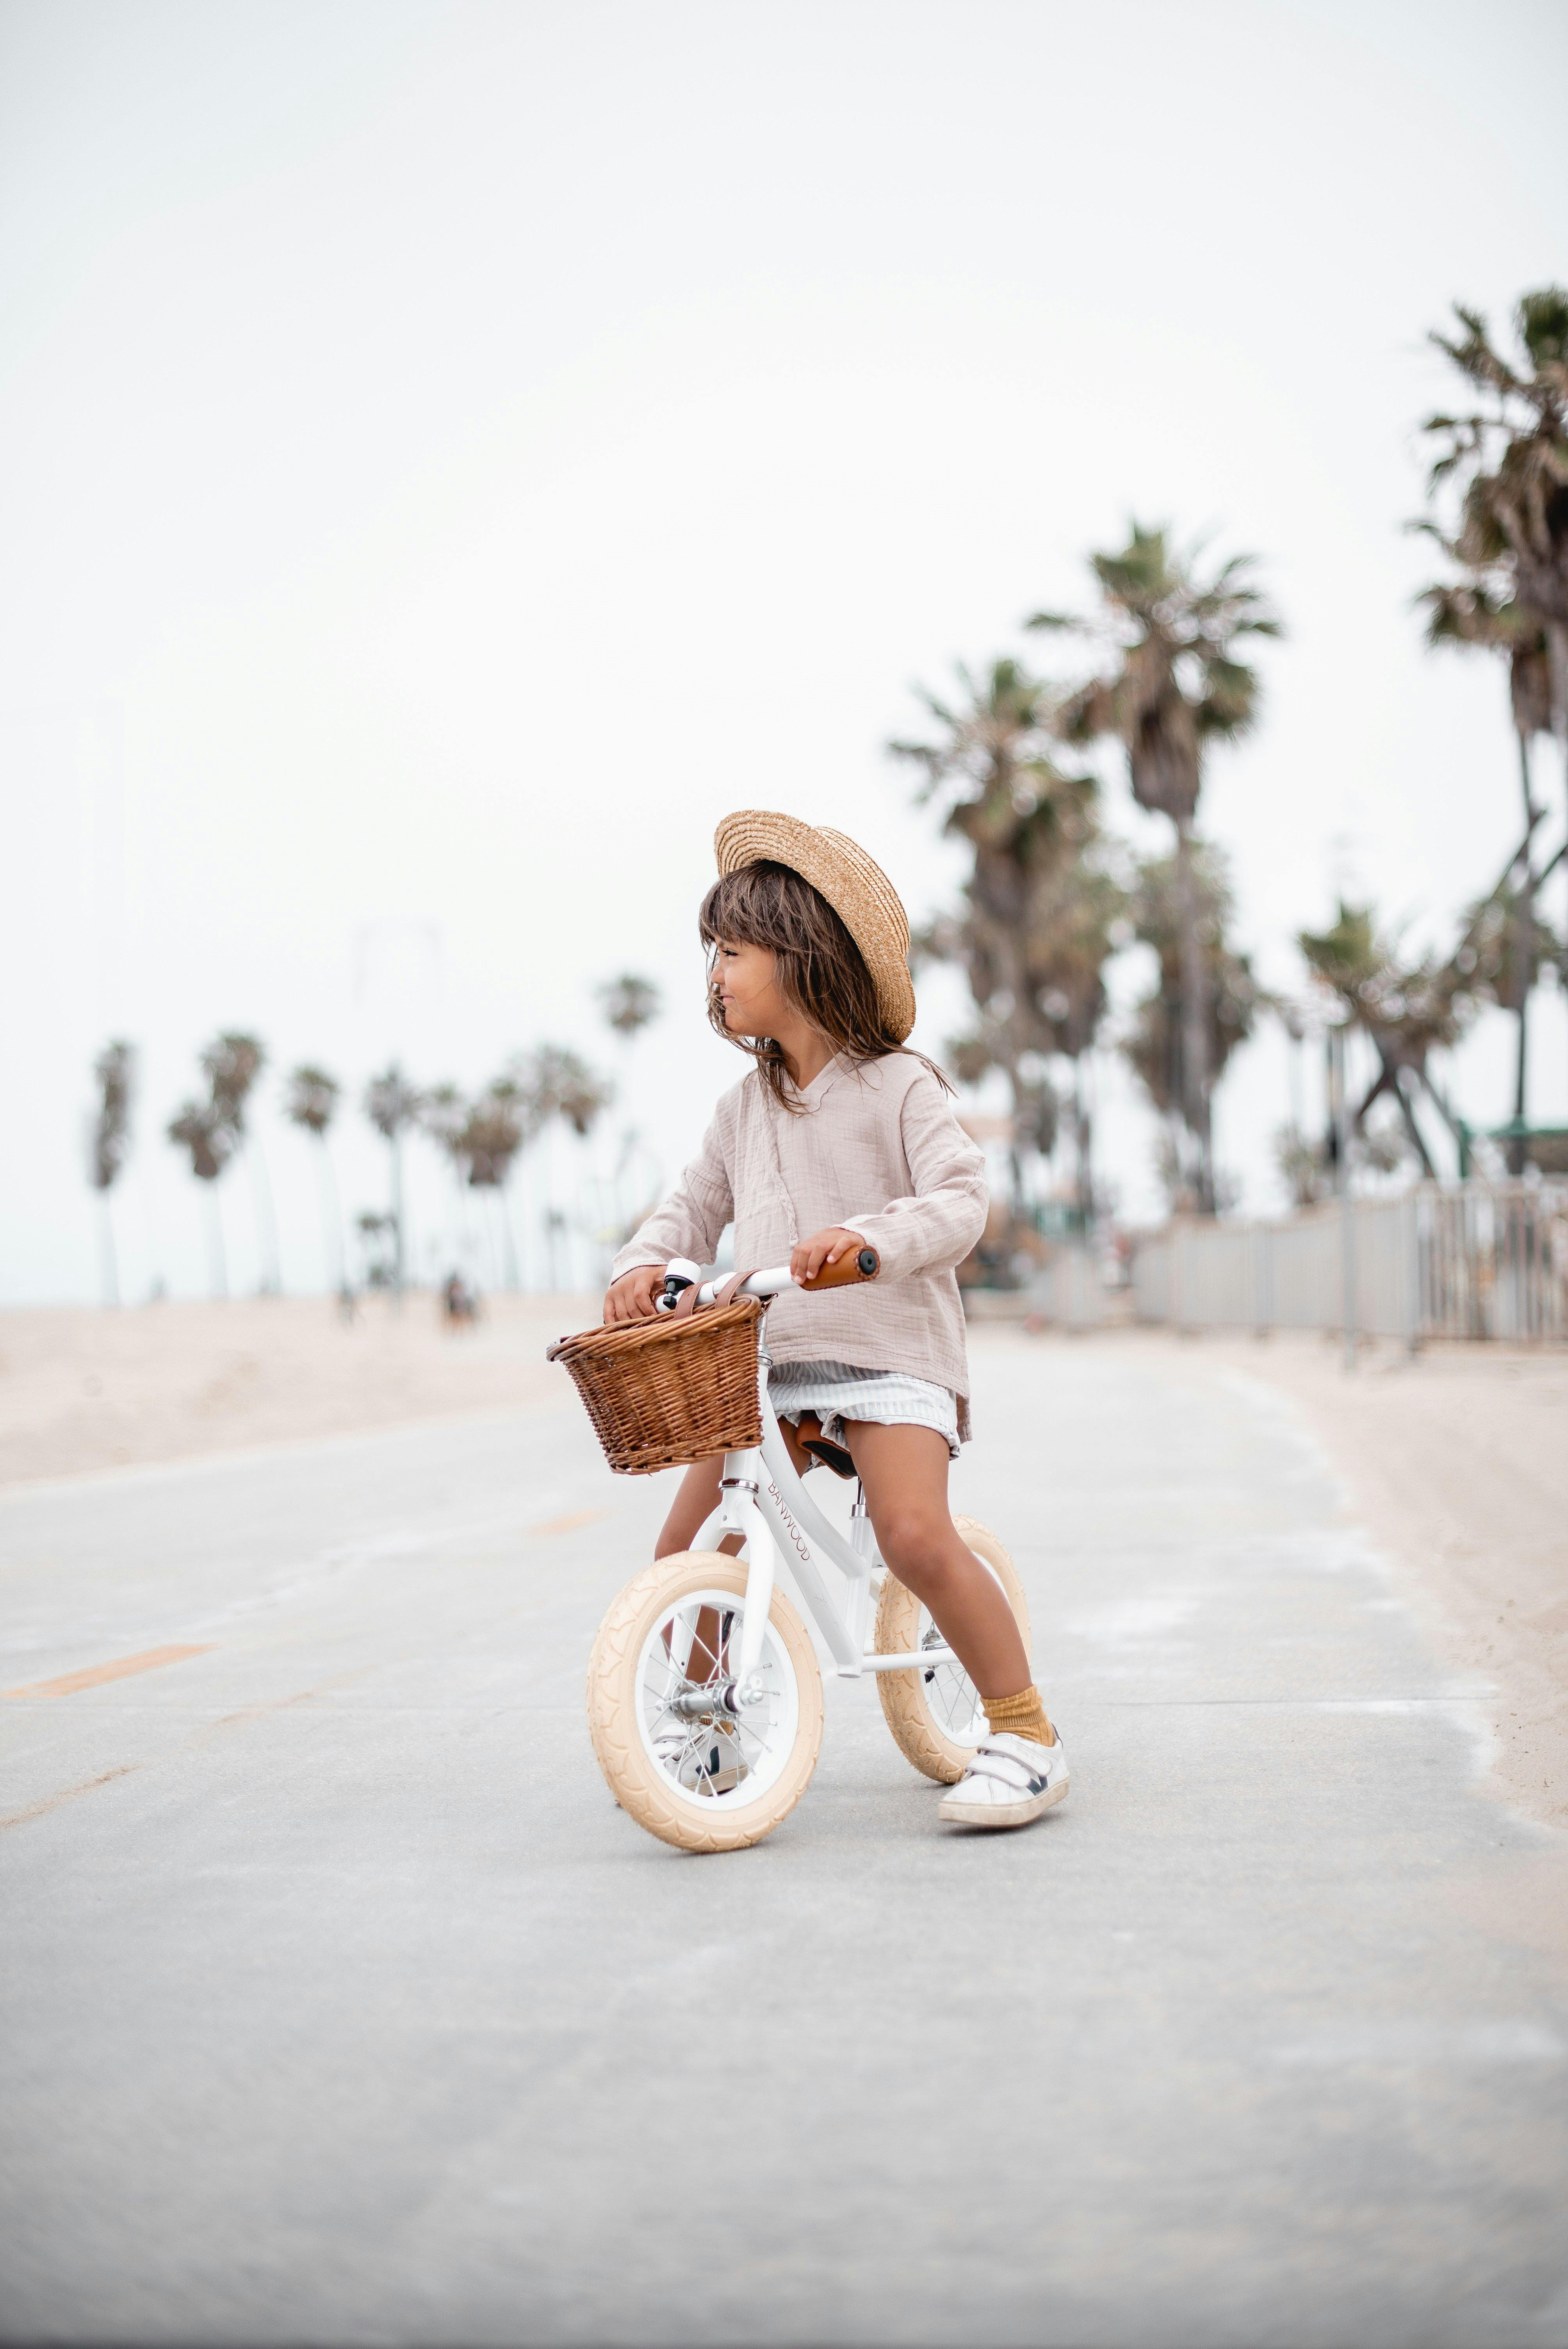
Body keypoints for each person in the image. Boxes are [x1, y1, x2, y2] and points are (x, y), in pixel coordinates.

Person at [602, 809, 1067, 1830]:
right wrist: (644, 1265)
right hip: (772, 1369)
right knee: (692, 1546)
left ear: (802, 959)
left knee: (913, 1537)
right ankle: (708, 1728)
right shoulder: (741, 1110)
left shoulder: (900, 1087)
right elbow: (690, 1210)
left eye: (732, 952)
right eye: (711, 955)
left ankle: (1027, 1732)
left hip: (888, 1356)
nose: (715, 974)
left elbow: (959, 1202)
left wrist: (869, 1244)